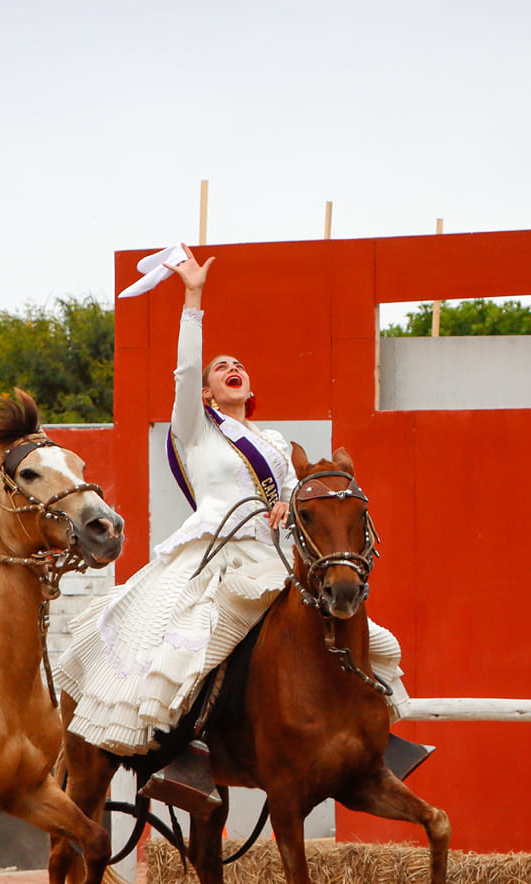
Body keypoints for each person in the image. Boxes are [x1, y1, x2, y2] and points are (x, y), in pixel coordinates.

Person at [57, 249, 405, 794]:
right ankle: (188, 750)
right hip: (214, 555)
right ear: (205, 393)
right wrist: (192, 299)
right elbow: (187, 367)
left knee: (361, 636)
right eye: (221, 368)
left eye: (238, 365)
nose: (230, 369)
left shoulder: (272, 443)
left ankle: (366, 735)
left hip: (270, 557)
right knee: (196, 641)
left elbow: (301, 501)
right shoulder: (195, 429)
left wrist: (292, 502)